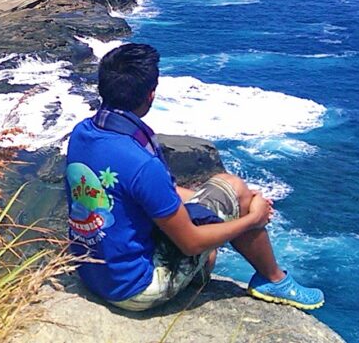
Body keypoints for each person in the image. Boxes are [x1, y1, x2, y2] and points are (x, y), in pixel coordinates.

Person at [65, 43, 324, 311]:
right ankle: (274, 279)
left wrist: (222, 205)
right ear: (150, 95)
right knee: (233, 188)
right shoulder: (141, 162)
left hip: (92, 273)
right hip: (135, 290)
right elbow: (190, 244)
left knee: (224, 210)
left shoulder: (82, 133)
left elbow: (142, 193)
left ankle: (237, 257)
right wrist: (251, 218)